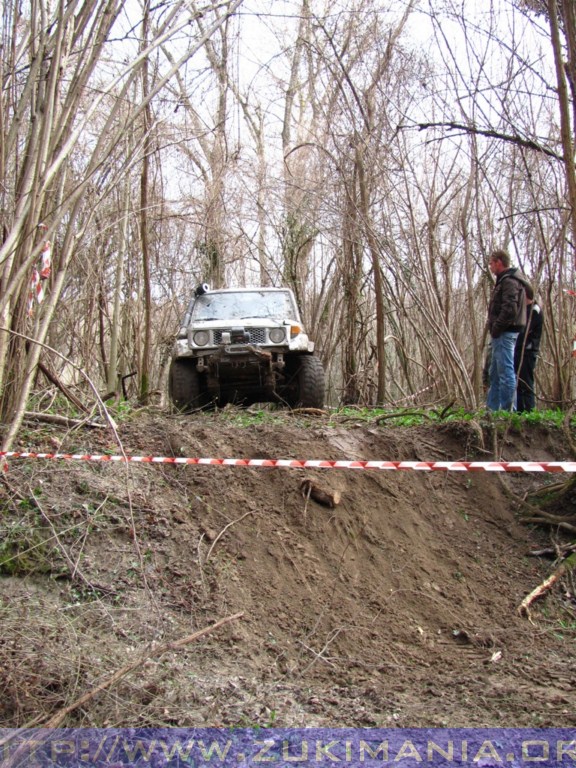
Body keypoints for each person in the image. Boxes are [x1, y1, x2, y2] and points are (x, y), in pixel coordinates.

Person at [486, 249, 532, 411]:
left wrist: (497, 327)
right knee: (495, 374)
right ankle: (492, 411)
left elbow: (510, 309)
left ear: (499, 262)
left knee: (506, 373)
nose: (490, 267)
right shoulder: (504, 280)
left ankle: (507, 412)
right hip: (501, 333)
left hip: (505, 333)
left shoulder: (510, 281)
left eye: (491, 263)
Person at [514, 286, 543, 412]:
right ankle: (519, 412)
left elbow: (525, 331)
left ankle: (530, 412)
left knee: (527, 383)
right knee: (518, 383)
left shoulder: (534, 310)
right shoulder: (523, 310)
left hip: (528, 351)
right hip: (518, 350)